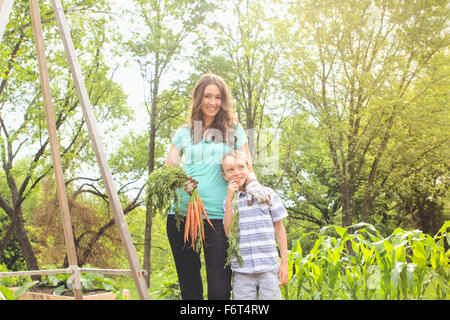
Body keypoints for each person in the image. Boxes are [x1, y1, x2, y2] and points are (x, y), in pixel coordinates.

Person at [164, 73, 270, 300]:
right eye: (207, 96)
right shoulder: (184, 133)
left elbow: (247, 166)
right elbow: (169, 168)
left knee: (220, 289)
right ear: (198, 98)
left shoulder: (234, 129)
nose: (212, 102)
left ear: (224, 100)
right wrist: (181, 181)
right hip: (183, 215)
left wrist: (255, 186)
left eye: (218, 97)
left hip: (220, 217)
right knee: (190, 288)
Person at [221, 150, 288, 300]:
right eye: (230, 170)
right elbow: (228, 232)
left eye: (241, 167)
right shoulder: (228, 202)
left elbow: (279, 229)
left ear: (249, 169)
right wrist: (230, 199)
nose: (236, 172)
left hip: (269, 268)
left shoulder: (267, 193)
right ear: (224, 176)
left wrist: (284, 263)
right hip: (242, 271)